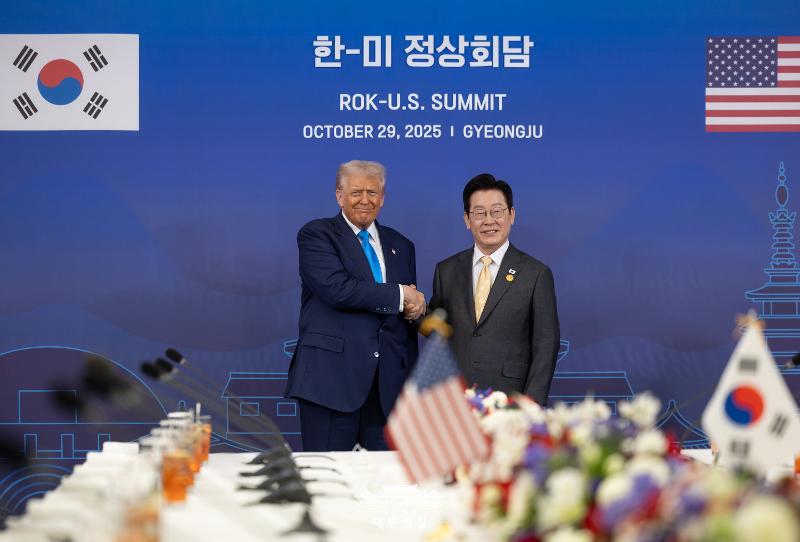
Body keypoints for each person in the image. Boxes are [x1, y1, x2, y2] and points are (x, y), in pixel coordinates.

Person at [285, 160, 425, 451]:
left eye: (372, 193)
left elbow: (402, 307)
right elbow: (339, 290)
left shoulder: (402, 245)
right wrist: (401, 296)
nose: (365, 200)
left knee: (387, 489)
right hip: (330, 385)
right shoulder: (317, 235)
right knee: (326, 483)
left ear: (382, 198)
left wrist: (415, 309)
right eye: (356, 192)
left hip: (388, 390)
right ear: (339, 196)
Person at [429, 173, 559, 405]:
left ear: (512, 215)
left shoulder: (536, 274)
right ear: (467, 220)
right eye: (479, 213)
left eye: (497, 211)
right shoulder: (446, 271)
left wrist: (529, 408)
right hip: (455, 403)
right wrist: (413, 310)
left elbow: (545, 347)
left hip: (510, 403)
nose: (489, 220)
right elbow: (437, 330)